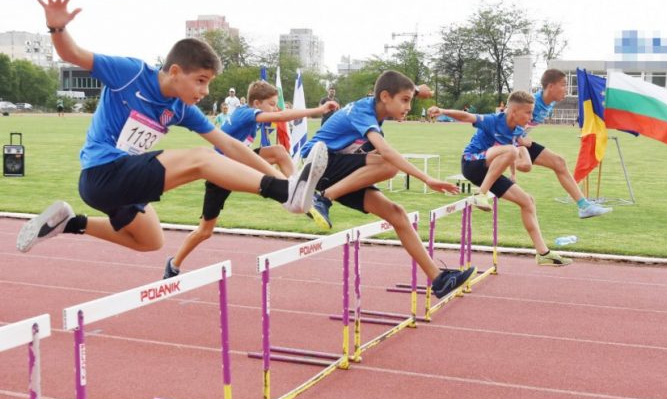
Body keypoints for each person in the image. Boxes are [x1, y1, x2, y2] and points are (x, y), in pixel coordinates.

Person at [16, 0, 328, 257]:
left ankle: (70, 223)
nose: (205, 91)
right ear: (175, 71)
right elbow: (74, 54)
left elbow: (230, 145)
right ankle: (285, 192)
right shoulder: (130, 73)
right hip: (101, 173)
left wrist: (280, 179)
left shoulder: (180, 108)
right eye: (201, 81)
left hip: (121, 184)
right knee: (202, 159)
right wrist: (57, 27)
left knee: (151, 241)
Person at [304, 70, 474, 298]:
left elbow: (400, 87)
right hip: (318, 163)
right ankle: (322, 199)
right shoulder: (363, 111)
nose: (408, 107)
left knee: (397, 214)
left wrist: (417, 90)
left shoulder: (377, 110)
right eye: (405, 100)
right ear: (385, 97)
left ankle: (439, 280)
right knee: (388, 164)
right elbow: (385, 151)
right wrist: (427, 179)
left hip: (336, 173)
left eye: (410, 101)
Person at [163, 80, 339, 277]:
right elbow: (281, 116)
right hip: (219, 173)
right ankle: (174, 264)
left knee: (279, 152)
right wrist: (318, 109)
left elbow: (274, 121)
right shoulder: (246, 113)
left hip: (240, 162)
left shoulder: (248, 115)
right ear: (256, 104)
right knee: (205, 231)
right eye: (271, 104)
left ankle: (294, 189)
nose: (275, 108)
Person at [429, 91, 571, 267]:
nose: (531, 117)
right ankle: (480, 195)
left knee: (527, 201)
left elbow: (510, 150)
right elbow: (467, 116)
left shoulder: (517, 130)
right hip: (472, 163)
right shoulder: (493, 120)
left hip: (490, 170)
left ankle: (543, 253)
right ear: (513, 111)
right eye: (528, 112)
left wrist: (514, 173)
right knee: (511, 150)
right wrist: (442, 110)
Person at [513, 69, 612, 219]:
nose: (567, 89)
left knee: (559, 163)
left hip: (518, 142)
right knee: (524, 166)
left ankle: (584, 206)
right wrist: (520, 140)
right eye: (563, 84)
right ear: (551, 86)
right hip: (505, 142)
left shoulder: (550, 103)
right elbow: (506, 122)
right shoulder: (531, 102)